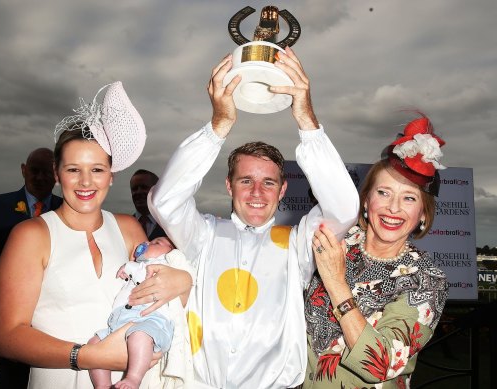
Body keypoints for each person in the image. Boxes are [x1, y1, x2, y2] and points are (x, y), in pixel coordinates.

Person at [148, 48, 360, 388]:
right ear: (229, 186)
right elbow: (165, 200)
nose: (257, 192)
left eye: (268, 182)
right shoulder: (203, 234)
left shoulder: (298, 243)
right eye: (246, 180)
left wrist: (306, 117)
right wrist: (219, 125)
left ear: (282, 190)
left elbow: (345, 209)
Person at [0, 81, 193, 389]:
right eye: (73, 169)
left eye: (97, 170)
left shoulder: (128, 228)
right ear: (57, 176)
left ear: (111, 177)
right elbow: (8, 337)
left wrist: (183, 282)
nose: (86, 181)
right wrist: (86, 356)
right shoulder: (31, 234)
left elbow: (154, 295)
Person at [303, 113, 449, 388]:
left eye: (409, 198)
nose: (393, 208)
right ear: (366, 202)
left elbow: (379, 364)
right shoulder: (336, 240)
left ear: (423, 215)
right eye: (383, 193)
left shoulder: (426, 280)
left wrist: (336, 283)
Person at [0, 147, 62, 388]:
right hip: (4, 320)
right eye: (34, 171)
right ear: (23, 170)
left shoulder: (67, 209)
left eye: (47, 172)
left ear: (57, 176)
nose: (40, 178)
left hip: (53, 324)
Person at [89, 237, 194, 389]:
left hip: (150, 319)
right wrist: (126, 268)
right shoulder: (139, 265)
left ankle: (133, 379)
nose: (147, 244)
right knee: (94, 344)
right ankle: (102, 385)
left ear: (171, 251)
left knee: (139, 336)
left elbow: (185, 272)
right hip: (119, 320)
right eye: (148, 243)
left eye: (156, 243)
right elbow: (132, 268)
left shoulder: (167, 264)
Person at [130, 169, 167, 239]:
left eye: (144, 187)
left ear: (157, 190)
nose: (139, 192)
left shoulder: (170, 226)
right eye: (134, 189)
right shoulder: (124, 227)